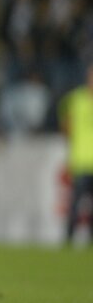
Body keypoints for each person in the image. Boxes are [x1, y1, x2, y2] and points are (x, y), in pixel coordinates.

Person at [58, 62, 93, 244]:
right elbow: (64, 119)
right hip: (80, 160)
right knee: (76, 203)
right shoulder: (76, 98)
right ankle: (69, 238)